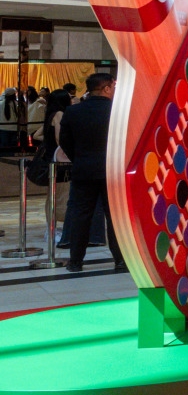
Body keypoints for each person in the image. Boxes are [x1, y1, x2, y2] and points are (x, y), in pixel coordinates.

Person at [57, 72, 124, 274]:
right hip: (113, 171)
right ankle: (120, 260)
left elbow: (65, 142)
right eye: (113, 86)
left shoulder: (73, 111)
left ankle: (76, 261)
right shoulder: (118, 111)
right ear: (105, 88)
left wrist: (79, 158)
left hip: (83, 170)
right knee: (115, 218)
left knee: (80, 215)